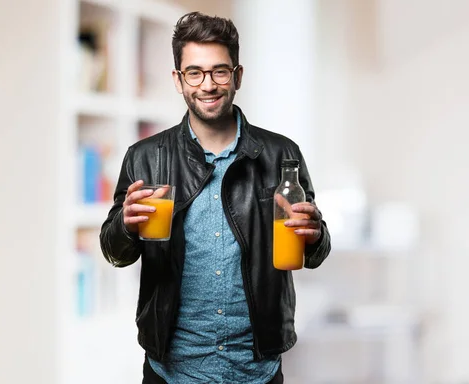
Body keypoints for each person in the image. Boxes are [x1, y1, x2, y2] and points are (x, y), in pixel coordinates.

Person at [100, 11, 331, 384]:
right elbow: (115, 253)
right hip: (171, 372)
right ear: (178, 79)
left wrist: (316, 235)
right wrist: (125, 227)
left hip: (256, 371)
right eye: (195, 72)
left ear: (237, 76)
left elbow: (315, 252)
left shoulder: (281, 155)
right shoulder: (145, 157)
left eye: (219, 71)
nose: (207, 84)